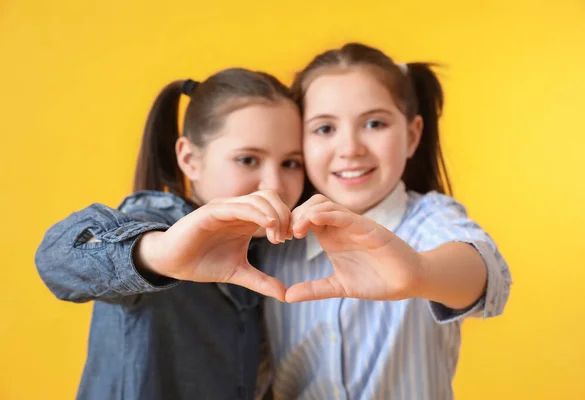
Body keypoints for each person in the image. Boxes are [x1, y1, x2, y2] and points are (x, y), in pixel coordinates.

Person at [259, 43, 513, 399]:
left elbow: (484, 273)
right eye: (324, 129)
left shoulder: (428, 219)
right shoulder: (274, 240)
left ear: (411, 136)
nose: (350, 148)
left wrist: (419, 272)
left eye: (374, 123)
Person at [35, 68, 305, 400]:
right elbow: (57, 258)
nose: (275, 185)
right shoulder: (153, 223)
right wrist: (156, 255)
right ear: (189, 159)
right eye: (247, 159)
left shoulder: (269, 248)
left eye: (291, 163)